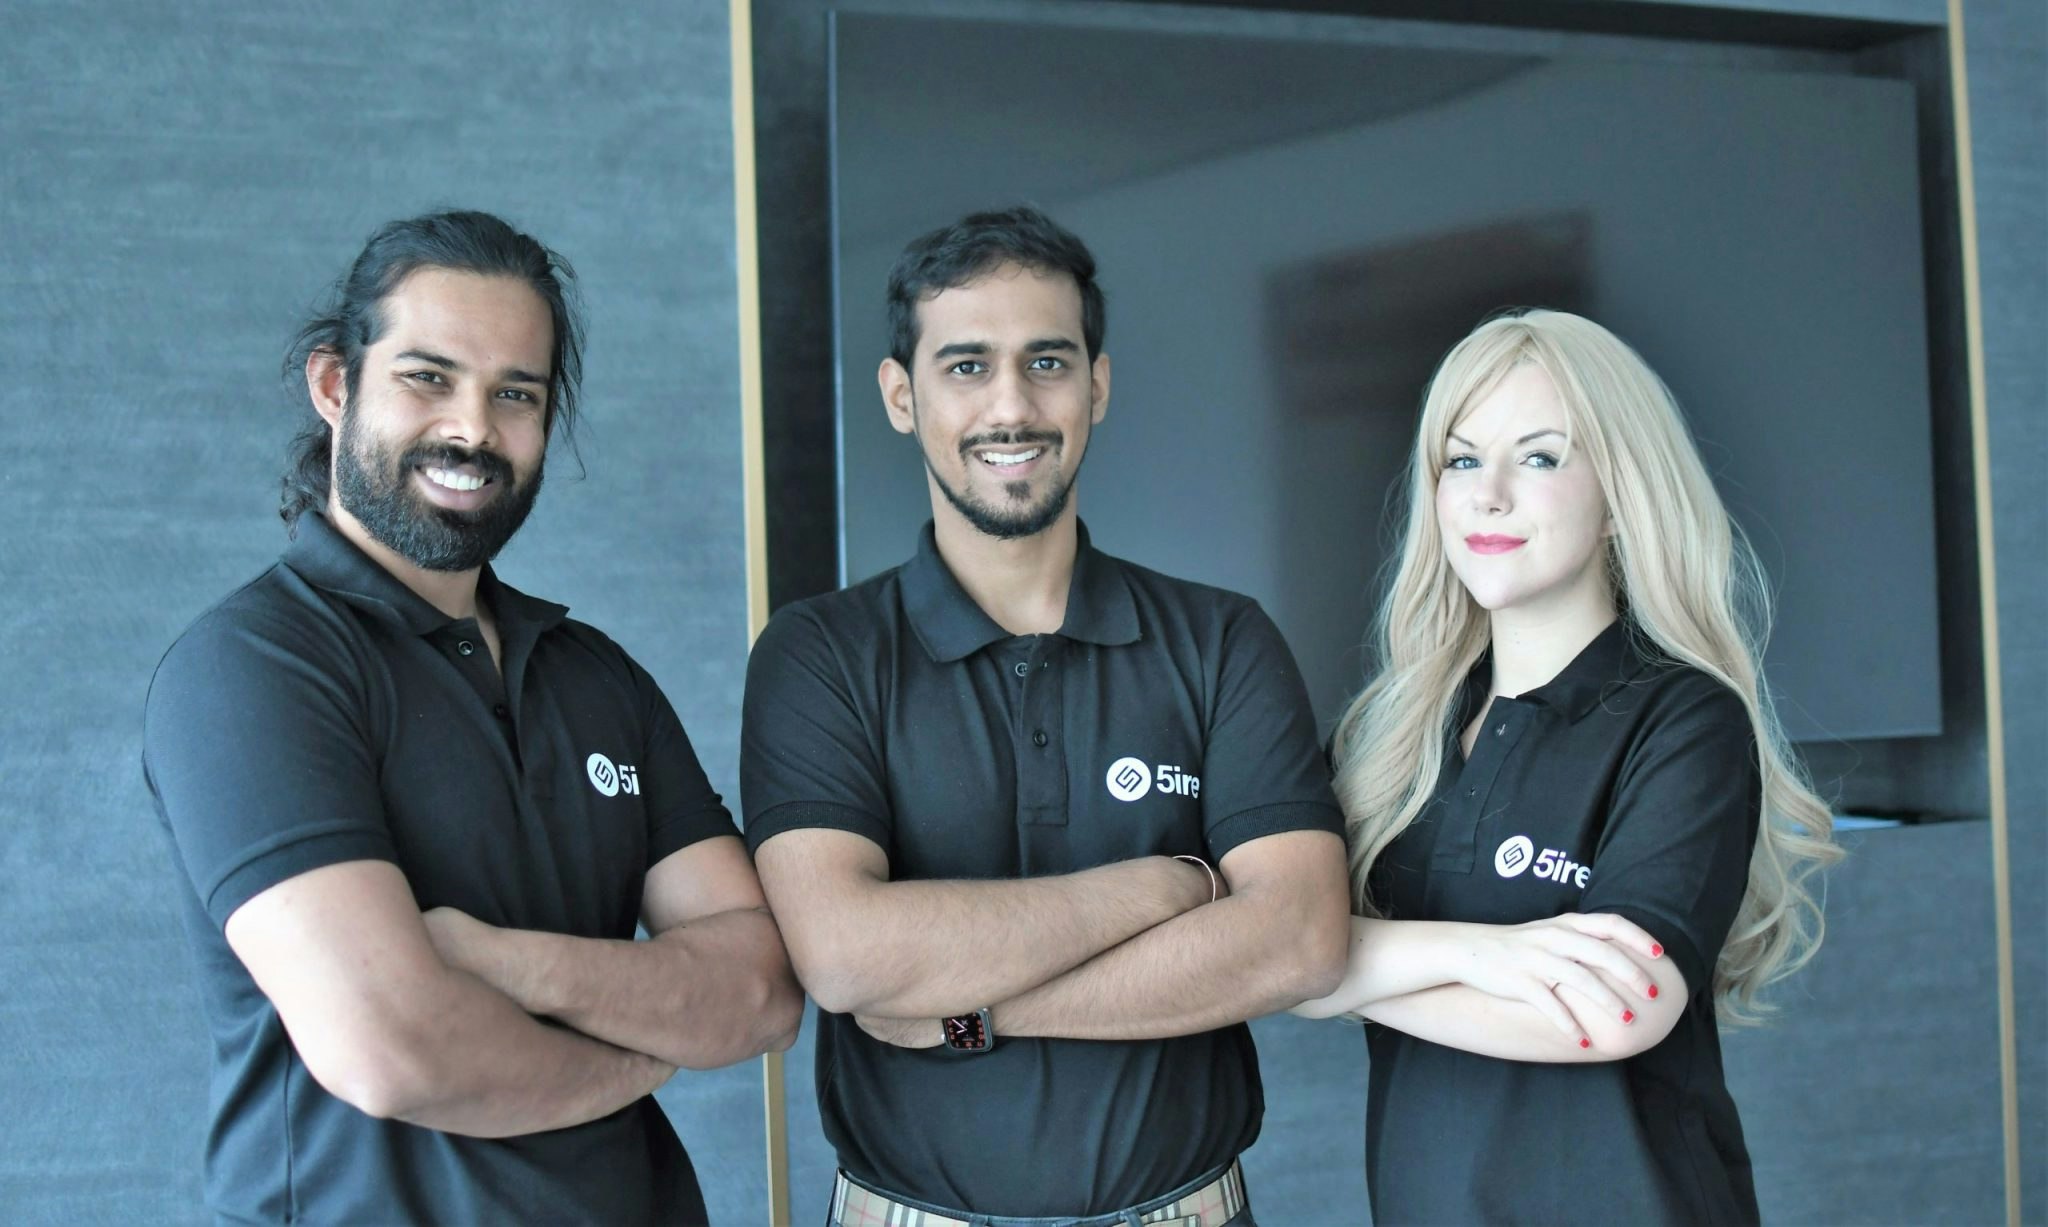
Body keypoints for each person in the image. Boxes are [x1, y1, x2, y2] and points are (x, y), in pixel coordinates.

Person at [143, 210, 803, 1226]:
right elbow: (394, 1048)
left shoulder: (598, 680)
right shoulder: (254, 669)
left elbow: (759, 988)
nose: (472, 429)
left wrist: (499, 962)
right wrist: (641, 1058)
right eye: (427, 377)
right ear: (335, 384)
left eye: (515, 394)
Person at [740, 206, 1351, 1226]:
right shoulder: (819, 655)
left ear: (1097, 386)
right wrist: (1171, 886)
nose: (1012, 405)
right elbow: (845, 954)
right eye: (966, 366)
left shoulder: (1221, 640)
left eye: (1048, 362)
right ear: (902, 396)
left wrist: (965, 1012)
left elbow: (1296, 937)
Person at [1292, 309, 1842, 1224]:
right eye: (1462, 460)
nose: (1489, 494)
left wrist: (1331, 969)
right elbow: (1266, 941)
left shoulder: (1685, 719)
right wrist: (1489, 956)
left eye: (1540, 457)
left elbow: (1614, 1014)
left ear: (1621, 494)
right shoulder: (1386, 737)